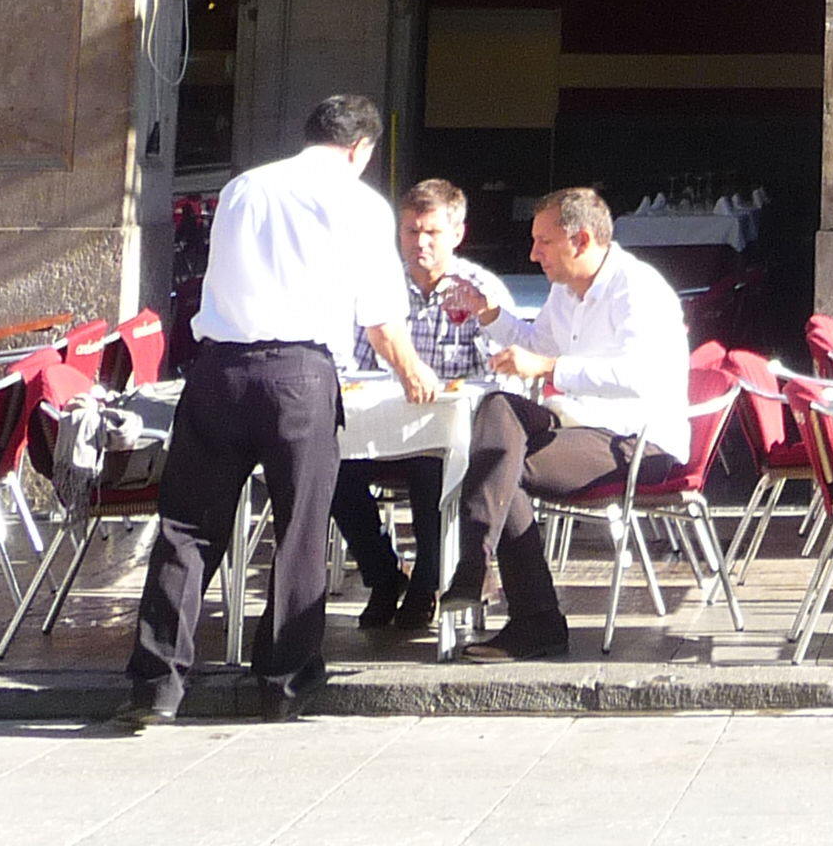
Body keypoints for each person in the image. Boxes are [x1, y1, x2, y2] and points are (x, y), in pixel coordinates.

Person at [122, 94, 435, 731]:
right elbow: (381, 318)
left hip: (218, 369)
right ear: (361, 150)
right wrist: (414, 376)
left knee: (188, 528)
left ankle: (156, 685)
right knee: (298, 530)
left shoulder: (242, 187)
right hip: (299, 374)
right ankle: (284, 683)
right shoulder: (359, 202)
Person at [443, 186, 693, 662]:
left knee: (503, 467)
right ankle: (479, 567)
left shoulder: (638, 289)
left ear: (580, 241)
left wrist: (549, 369)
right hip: (579, 424)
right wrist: (488, 313)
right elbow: (537, 340)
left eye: (544, 242)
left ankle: (528, 613)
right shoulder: (564, 290)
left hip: (639, 440)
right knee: (498, 408)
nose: (533, 253)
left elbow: (638, 376)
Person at [329, 178, 514, 639]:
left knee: (432, 472)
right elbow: (357, 360)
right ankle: (382, 572)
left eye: (431, 232)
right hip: (385, 424)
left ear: (456, 234)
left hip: (448, 430)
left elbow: (502, 371)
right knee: (329, 466)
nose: (421, 243)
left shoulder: (479, 290)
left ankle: (427, 583)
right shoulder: (379, 288)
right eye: (411, 232)